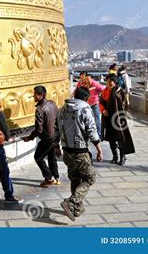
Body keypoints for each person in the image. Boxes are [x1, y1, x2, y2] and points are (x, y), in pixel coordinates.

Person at [53, 87, 103, 221]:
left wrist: (56, 146)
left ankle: (77, 208)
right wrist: (99, 149)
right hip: (80, 152)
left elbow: (56, 128)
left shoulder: (62, 108)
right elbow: (92, 130)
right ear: (86, 98)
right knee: (90, 178)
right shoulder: (85, 109)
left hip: (67, 151)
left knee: (75, 178)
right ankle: (71, 202)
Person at [23, 86, 60, 188]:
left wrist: (29, 138)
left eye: (35, 94)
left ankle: (48, 178)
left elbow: (38, 129)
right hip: (55, 136)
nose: (33, 96)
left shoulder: (40, 109)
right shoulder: (52, 104)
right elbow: (58, 120)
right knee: (52, 157)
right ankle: (56, 178)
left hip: (47, 138)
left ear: (41, 95)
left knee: (38, 157)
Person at [100, 74, 135, 166]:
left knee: (120, 138)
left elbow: (123, 105)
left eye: (110, 83)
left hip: (118, 118)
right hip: (107, 118)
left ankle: (123, 156)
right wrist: (103, 110)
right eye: (107, 82)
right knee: (111, 139)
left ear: (115, 83)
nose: (108, 84)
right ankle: (115, 156)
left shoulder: (119, 92)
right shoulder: (104, 91)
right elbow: (101, 102)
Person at [76, 71, 105, 140]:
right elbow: (76, 92)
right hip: (85, 105)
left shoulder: (94, 83)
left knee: (97, 120)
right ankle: (87, 136)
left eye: (84, 78)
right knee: (85, 121)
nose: (83, 80)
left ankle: (99, 136)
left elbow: (103, 89)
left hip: (94, 104)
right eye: (81, 78)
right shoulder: (80, 84)